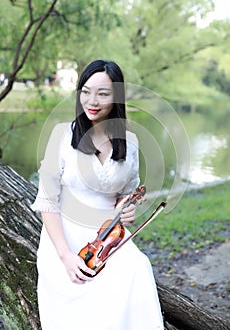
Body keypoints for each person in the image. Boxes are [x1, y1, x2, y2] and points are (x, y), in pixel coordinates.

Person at [31, 60, 164, 330]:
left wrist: (126, 210)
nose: (92, 100)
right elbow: (47, 201)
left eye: (103, 93)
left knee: (138, 268)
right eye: (86, 91)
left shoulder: (130, 143)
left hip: (105, 238)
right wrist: (66, 257)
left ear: (117, 96)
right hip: (65, 240)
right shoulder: (61, 136)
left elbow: (124, 197)